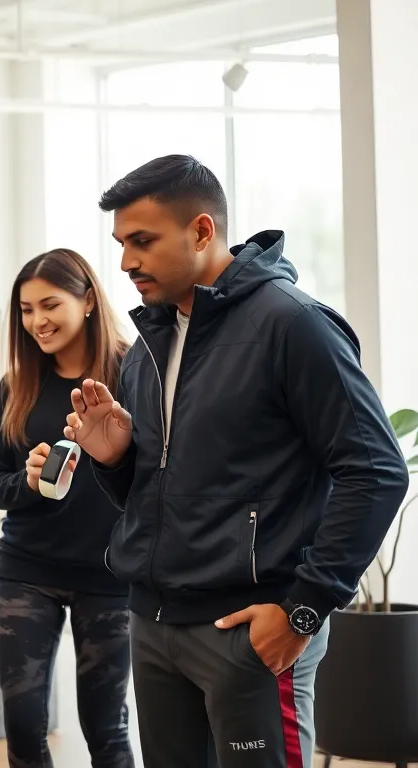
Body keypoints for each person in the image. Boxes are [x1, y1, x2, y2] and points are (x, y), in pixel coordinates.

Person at [65, 154, 410, 767]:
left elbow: (376, 470)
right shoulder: (150, 344)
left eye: (142, 241)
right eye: (120, 243)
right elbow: (166, 494)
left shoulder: (293, 325)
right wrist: (116, 461)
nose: (125, 262)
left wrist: (302, 610)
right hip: (153, 625)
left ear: (202, 231)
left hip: (250, 630)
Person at [0, 248, 135, 768]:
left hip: (111, 576)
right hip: (28, 572)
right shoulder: (17, 386)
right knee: (24, 728)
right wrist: (26, 482)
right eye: (25, 310)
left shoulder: (135, 374)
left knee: (106, 729)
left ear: (88, 299)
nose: (36, 321)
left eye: (49, 305)